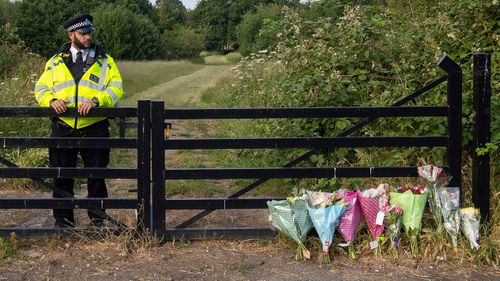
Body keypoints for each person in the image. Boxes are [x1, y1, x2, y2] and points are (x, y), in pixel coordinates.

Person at [34, 13, 124, 227]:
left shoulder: (104, 60)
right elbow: (40, 88)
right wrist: (51, 100)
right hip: (63, 127)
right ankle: (64, 222)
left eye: (89, 33)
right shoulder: (55, 61)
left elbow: (116, 88)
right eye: (83, 34)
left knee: (96, 177)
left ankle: (98, 221)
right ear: (71, 34)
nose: (88, 37)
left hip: (95, 127)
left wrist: (96, 100)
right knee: (62, 177)